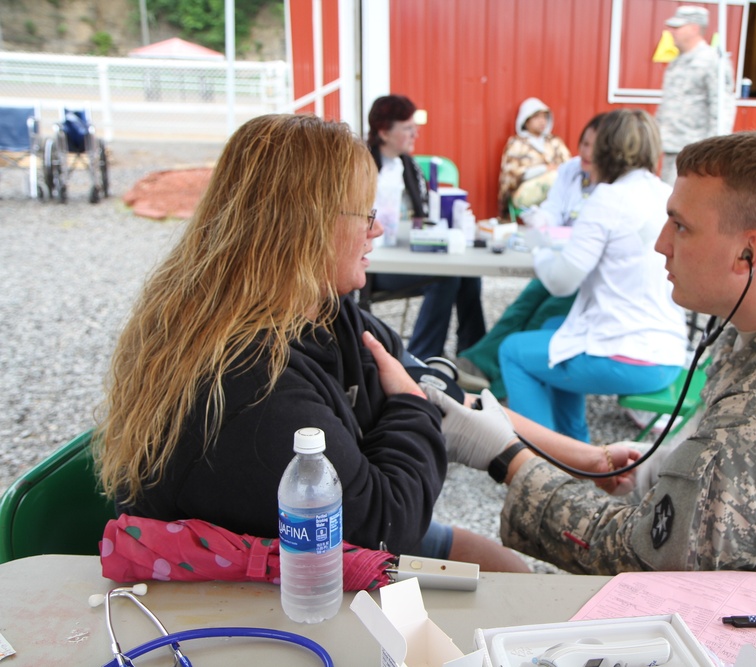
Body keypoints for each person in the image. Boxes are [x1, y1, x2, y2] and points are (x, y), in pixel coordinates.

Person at [425, 131, 756, 585]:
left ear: (748, 252)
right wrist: (670, 465)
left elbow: (641, 560)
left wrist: (506, 458)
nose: (661, 244)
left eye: (681, 226)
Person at [94, 114, 528, 572]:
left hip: (312, 546)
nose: (375, 230)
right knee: (503, 582)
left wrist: (582, 457)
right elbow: (382, 528)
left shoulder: (317, 309)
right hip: (264, 588)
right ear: (304, 227)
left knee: (504, 567)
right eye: (364, 214)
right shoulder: (249, 379)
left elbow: (433, 389)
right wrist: (411, 405)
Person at [497, 110, 688, 442]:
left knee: (513, 351)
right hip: (668, 351)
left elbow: (560, 283)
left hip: (629, 357)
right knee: (552, 329)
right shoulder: (662, 193)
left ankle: (543, 459)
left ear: (605, 152)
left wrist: (537, 244)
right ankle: (575, 444)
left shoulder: (608, 199)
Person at [457, 113, 605, 399]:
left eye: (594, 146)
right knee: (524, 305)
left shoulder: (613, 189)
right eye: (584, 143)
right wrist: (541, 219)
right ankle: (477, 361)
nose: (586, 152)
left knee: (545, 313)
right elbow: (552, 208)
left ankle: (498, 380)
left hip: (586, 274)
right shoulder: (571, 169)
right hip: (562, 258)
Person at [364, 95, 487, 362]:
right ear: (384, 132)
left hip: (404, 253)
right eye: (407, 128)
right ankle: (422, 357)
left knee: (468, 273)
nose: (415, 133)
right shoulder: (363, 168)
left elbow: (423, 216)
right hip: (374, 263)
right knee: (446, 276)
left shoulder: (408, 166)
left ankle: (472, 356)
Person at [655, 5, 736, 186]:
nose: (671, 32)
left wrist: (715, 153)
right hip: (671, 148)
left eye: (677, 28)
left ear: (694, 28)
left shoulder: (713, 61)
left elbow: (722, 108)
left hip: (695, 152)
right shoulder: (677, 62)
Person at [497, 97, 572, 217]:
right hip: (523, 192)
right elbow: (511, 175)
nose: (542, 121)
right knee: (553, 178)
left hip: (557, 188)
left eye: (544, 117)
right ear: (526, 120)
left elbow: (570, 165)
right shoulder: (517, 144)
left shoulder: (554, 142)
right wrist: (544, 170)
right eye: (537, 117)